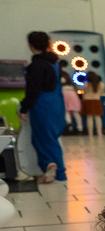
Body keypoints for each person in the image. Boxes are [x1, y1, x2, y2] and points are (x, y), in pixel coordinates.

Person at [18, 31, 67, 184]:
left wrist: (24, 108)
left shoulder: (36, 65)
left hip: (42, 106)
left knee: (42, 139)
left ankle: (56, 170)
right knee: (51, 137)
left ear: (31, 45)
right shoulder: (55, 62)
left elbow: (33, 90)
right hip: (57, 104)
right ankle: (50, 165)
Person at [61, 67, 83, 136]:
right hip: (73, 97)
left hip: (64, 97)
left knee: (66, 112)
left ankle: (69, 125)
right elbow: (77, 91)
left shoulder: (61, 85)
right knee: (76, 113)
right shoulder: (72, 85)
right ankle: (80, 127)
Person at [82, 72, 104, 136]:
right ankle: (99, 132)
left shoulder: (86, 84)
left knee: (89, 117)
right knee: (98, 117)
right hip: (97, 100)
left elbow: (84, 92)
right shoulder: (101, 84)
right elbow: (101, 93)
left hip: (87, 101)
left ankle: (90, 133)